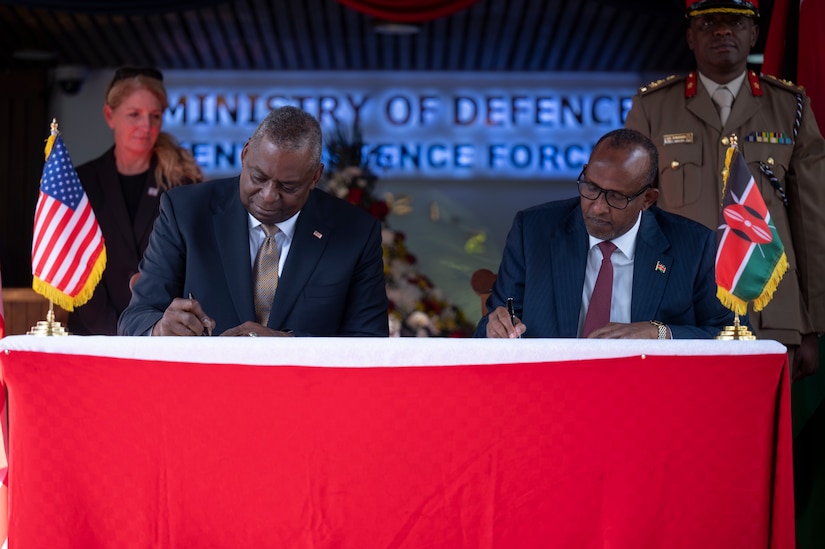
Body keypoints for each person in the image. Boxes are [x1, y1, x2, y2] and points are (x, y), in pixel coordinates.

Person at [624, 0, 825, 379]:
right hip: (681, 315)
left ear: (754, 33)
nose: (722, 31)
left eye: (735, 21)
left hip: (772, 313)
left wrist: (812, 325)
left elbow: (813, 225)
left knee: (771, 434)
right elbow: (633, 217)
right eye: (708, 22)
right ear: (690, 36)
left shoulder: (791, 107)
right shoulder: (653, 107)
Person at [118, 106, 389, 337]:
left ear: (315, 177)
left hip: (307, 392)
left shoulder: (356, 233)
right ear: (245, 153)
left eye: (288, 186)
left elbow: (369, 341)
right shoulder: (185, 211)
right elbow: (135, 318)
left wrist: (291, 348)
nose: (269, 196)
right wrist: (160, 329)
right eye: (258, 177)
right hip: (205, 390)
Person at [474, 128, 738, 339]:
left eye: (616, 197)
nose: (597, 207)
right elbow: (496, 321)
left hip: (646, 392)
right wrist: (494, 328)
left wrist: (660, 333)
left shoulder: (694, 245)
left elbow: (732, 334)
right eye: (590, 187)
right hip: (553, 391)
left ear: (647, 199)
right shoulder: (533, 232)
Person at [70, 66, 204, 335]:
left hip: (161, 335)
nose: (146, 126)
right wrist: (113, 335)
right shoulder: (81, 181)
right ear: (110, 115)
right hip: (94, 335)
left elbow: (194, 261)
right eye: (134, 114)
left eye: (155, 116)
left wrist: (149, 331)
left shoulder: (182, 182)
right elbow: (76, 266)